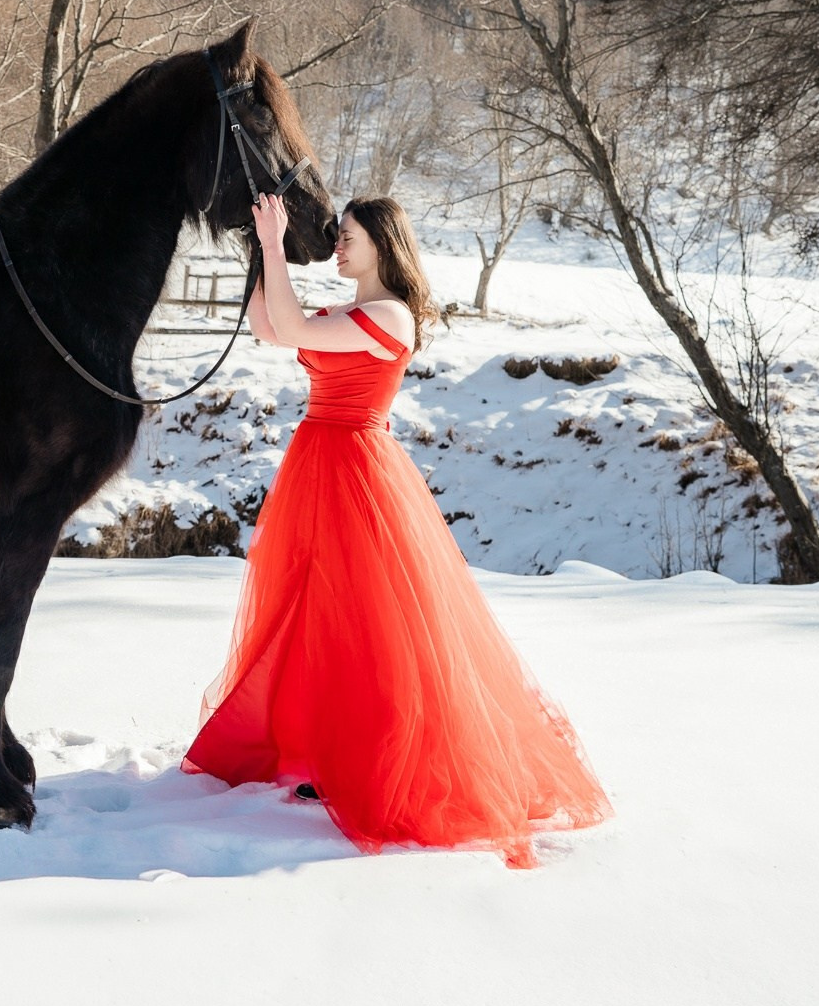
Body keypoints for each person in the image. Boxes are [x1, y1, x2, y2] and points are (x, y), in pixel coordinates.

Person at [183, 194, 611, 868]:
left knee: (373, 621)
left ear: (384, 242)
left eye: (348, 236)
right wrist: (256, 245)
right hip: (319, 465)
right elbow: (273, 326)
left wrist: (274, 242)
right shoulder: (353, 311)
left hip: (358, 472)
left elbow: (289, 321)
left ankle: (376, 760)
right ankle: (325, 749)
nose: (338, 246)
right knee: (316, 611)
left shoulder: (386, 315)